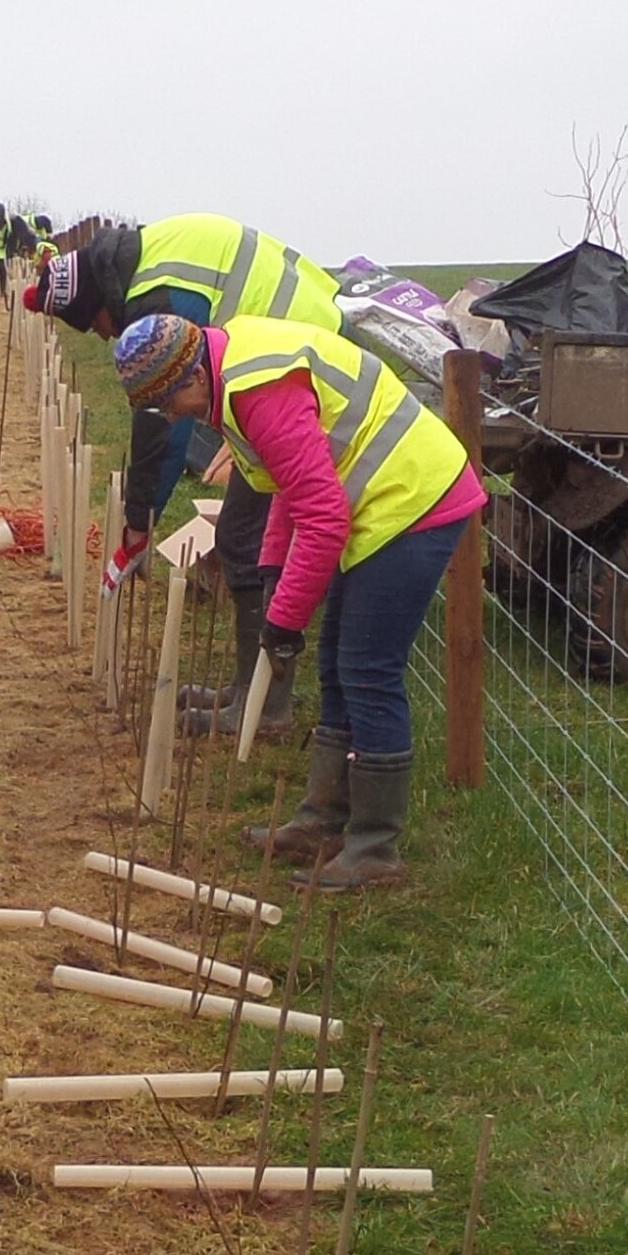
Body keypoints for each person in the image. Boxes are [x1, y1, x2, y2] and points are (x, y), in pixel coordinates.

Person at [114, 311, 485, 891]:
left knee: (368, 669)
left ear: (188, 378)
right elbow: (290, 485)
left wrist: (284, 622)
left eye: (167, 404)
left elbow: (323, 515)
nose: (171, 417)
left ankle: (374, 846)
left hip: (414, 502)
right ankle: (322, 820)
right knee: (340, 662)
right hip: (375, 506)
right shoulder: (231, 379)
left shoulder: (258, 389)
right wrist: (271, 574)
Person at [28, 218, 341, 739]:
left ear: (100, 305)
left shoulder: (157, 301)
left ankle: (265, 706)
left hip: (296, 372)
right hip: (289, 353)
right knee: (242, 536)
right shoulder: (146, 260)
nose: (105, 335)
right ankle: (250, 689)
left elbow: (164, 424)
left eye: (98, 326)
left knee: (246, 538)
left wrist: (140, 518)